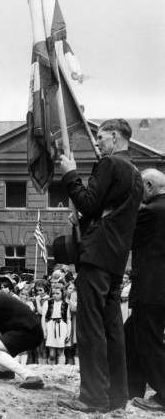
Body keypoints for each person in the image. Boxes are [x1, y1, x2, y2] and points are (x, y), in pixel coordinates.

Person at [57, 119, 143, 413]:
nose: (98, 142)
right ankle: (116, 396)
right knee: (112, 329)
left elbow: (91, 203)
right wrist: (83, 220)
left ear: (115, 137)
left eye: (101, 136)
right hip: (117, 259)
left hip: (96, 256)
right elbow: (108, 213)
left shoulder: (109, 165)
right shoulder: (135, 172)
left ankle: (92, 396)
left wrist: (69, 175)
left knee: (91, 328)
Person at [125, 168, 165, 412]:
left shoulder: (151, 211)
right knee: (131, 336)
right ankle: (132, 390)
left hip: (152, 289)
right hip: (158, 289)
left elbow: (126, 238)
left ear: (149, 186)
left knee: (148, 340)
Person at [41, 285, 71, 365]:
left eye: (57, 293)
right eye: (53, 293)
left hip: (62, 326)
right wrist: (44, 330)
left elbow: (68, 319)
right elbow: (43, 318)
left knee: (61, 351)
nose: (55, 295)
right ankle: (51, 369)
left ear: (62, 293)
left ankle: (61, 370)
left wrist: (68, 332)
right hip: (50, 326)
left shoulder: (66, 305)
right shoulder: (47, 303)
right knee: (52, 353)